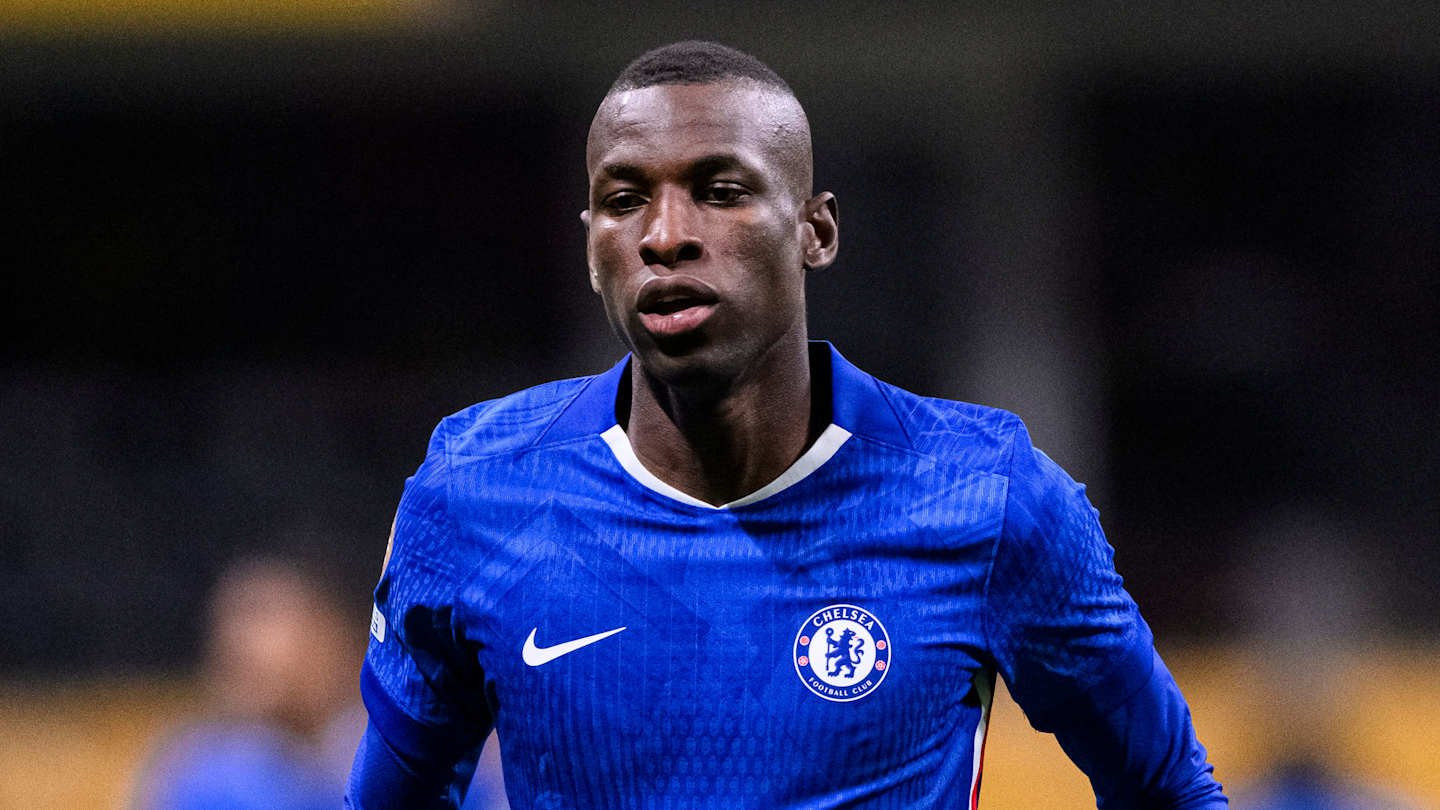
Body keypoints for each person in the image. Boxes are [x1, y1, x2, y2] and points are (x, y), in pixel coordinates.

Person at [348, 41, 1226, 808]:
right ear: (590, 244)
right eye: (623, 200)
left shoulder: (989, 497)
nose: (664, 235)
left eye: (719, 191)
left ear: (816, 230)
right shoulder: (475, 490)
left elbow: (1169, 789)